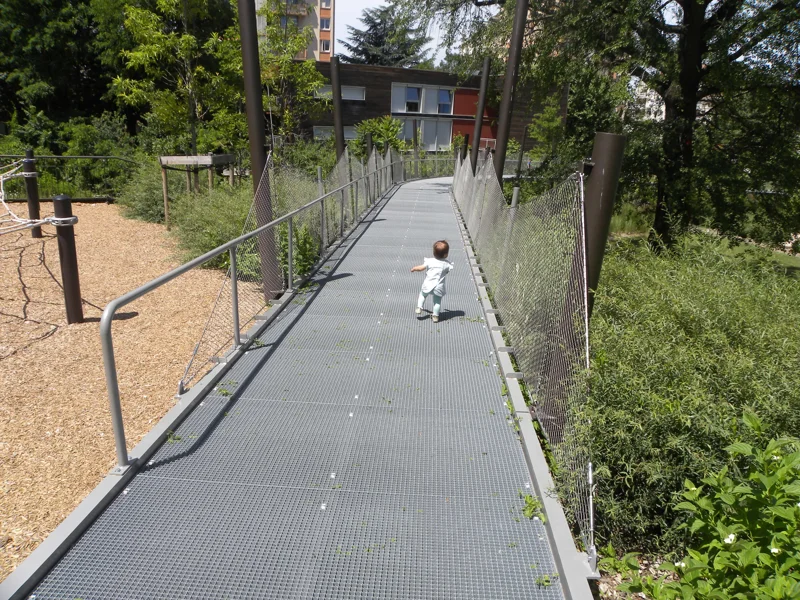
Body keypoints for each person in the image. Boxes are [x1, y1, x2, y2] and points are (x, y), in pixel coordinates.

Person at [410, 240, 453, 323]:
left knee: (423, 295)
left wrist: (415, 268)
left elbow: (421, 268)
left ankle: (419, 307)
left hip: (428, 284)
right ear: (446, 254)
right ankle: (435, 316)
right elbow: (447, 270)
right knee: (437, 302)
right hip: (439, 286)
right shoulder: (447, 264)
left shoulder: (430, 261)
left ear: (434, 253)